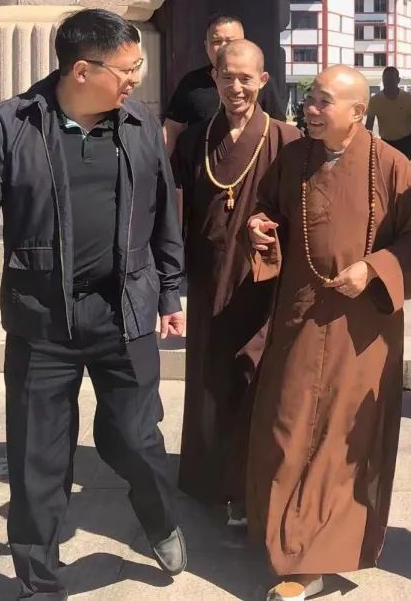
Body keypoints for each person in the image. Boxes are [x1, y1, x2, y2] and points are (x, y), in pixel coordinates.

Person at [0, 9, 188, 600]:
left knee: (135, 438)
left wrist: (170, 291)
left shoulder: (138, 124)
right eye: (127, 69)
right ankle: (40, 584)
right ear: (82, 70)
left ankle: (159, 518)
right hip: (42, 321)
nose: (136, 78)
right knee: (38, 461)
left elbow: (163, 212)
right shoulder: (10, 124)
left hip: (124, 313)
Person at [246, 65, 411, 601]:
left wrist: (374, 268)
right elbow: (267, 210)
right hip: (302, 316)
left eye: (323, 101)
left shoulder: (391, 165)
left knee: (338, 439)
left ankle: (311, 562)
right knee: (288, 425)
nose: (310, 108)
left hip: (362, 329)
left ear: (358, 112)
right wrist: (260, 228)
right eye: (310, 98)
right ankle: (284, 533)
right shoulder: (294, 159)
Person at [171, 40, 301, 524]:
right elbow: (175, 213)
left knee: (253, 377)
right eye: (227, 77)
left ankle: (247, 484)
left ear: (263, 80)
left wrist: (273, 232)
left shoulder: (286, 140)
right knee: (210, 377)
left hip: (260, 283)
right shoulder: (194, 141)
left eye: (246, 78)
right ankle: (208, 478)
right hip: (208, 280)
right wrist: (168, 283)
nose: (236, 87)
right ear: (214, 78)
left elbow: (303, 213)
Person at [163, 14, 245, 156]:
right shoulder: (192, 82)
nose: (223, 47)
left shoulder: (257, 83)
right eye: (216, 41)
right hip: (201, 164)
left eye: (230, 41)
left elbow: (274, 127)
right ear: (206, 46)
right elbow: (172, 128)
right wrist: (164, 164)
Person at [366, 66, 411, 161]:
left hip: (405, 142)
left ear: (398, 80)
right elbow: (368, 126)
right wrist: (366, 147)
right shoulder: (375, 100)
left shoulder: (408, 98)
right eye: (385, 80)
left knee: (402, 168)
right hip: (386, 143)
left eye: (391, 80)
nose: (388, 83)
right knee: (387, 168)